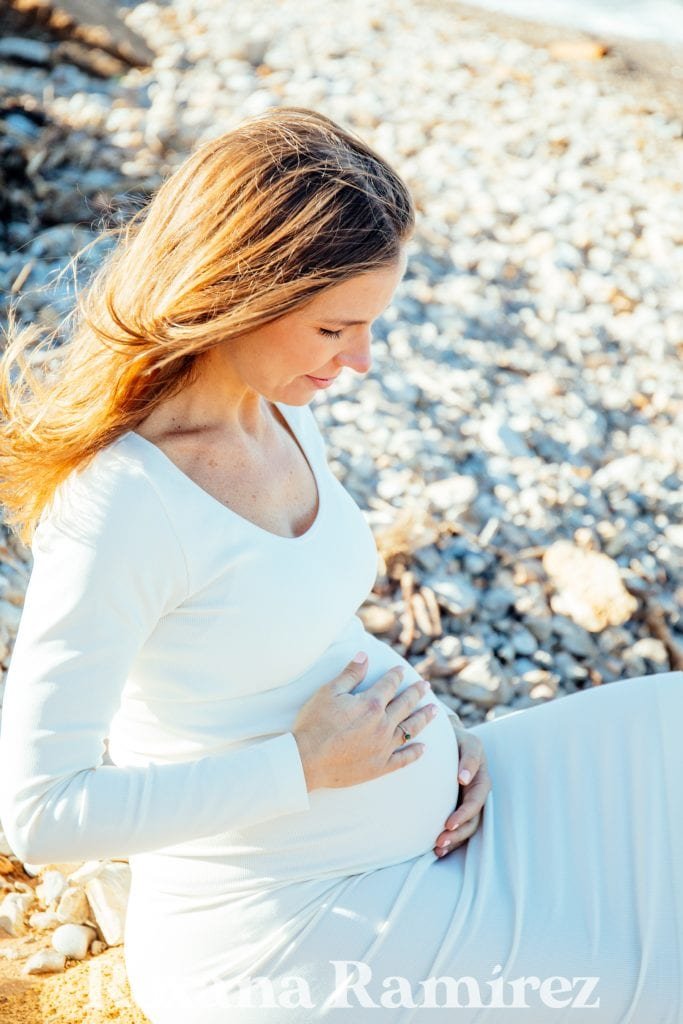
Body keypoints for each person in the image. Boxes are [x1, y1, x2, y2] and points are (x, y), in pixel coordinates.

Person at [0, 107, 680, 1024]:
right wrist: (307, 764)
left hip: (439, 812)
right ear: (238, 292)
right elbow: (42, 817)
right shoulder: (120, 508)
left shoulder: (276, 409)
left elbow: (292, 625)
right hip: (296, 925)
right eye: (333, 330)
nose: (359, 360)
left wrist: (438, 735)